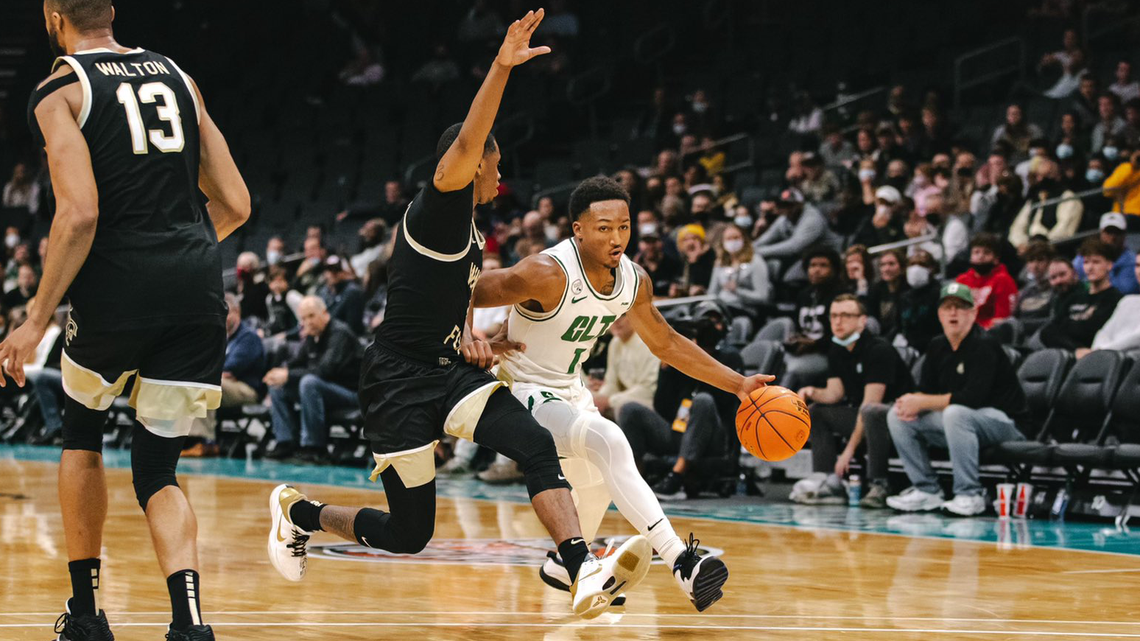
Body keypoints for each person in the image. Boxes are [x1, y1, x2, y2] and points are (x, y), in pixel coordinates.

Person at [265, 14, 652, 621]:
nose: (500, 177)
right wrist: (501, 66)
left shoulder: (467, 230)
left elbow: (447, 297)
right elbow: (470, 141)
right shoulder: (438, 209)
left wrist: (472, 336)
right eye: (494, 166)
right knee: (408, 533)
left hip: (447, 372)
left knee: (533, 443)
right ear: (470, 166)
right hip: (396, 381)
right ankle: (300, 513)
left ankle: (580, 569)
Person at [1, 2, 250, 639]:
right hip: (197, 285)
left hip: (116, 286)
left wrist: (35, 320)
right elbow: (236, 202)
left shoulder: (59, 89)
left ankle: (86, 616)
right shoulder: (179, 76)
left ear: (53, 17)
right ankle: (189, 625)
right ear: (111, 11)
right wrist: (178, 259)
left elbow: (79, 213)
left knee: (82, 434)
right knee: (158, 469)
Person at [473, 176, 773, 611]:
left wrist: (739, 384)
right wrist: (472, 338)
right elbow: (462, 289)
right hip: (523, 390)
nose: (617, 238)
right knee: (609, 439)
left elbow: (667, 343)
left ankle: (564, 567)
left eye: (624, 227)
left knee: (597, 483)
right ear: (578, 230)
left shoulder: (634, 280)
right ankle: (681, 561)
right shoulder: (546, 272)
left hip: (570, 389)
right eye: (604, 228)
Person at [885, 283, 1027, 517]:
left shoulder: (985, 344)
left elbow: (971, 398)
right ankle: (927, 489)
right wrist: (910, 401)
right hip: (962, 423)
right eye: (947, 307)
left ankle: (970, 493)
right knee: (897, 415)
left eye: (960, 307)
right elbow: (926, 390)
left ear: (973, 313)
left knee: (955, 412)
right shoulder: (936, 345)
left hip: (1004, 423)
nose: (953, 313)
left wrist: (922, 402)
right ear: (939, 314)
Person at [794, 295, 913, 508]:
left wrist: (848, 452)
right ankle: (829, 481)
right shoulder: (837, 348)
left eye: (845, 315)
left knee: (871, 412)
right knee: (816, 412)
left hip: (899, 419)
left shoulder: (879, 350)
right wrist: (811, 392)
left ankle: (880, 483)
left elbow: (870, 404)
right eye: (833, 316)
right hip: (865, 414)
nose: (838, 321)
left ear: (862, 321)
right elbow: (835, 394)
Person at [263, 296, 362, 463]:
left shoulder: (340, 333)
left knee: (308, 383)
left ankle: (315, 447)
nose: (308, 322)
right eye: (303, 319)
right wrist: (280, 372)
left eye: (311, 316)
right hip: (325, 390)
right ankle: (285, 442)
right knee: (278, 385)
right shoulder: (312, 335)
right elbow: (297, 363)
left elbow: (325, 371)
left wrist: (288, 375)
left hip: (351, 393)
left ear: (325, 313)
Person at [183, 293, 266, 458]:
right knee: (190, 382)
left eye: (225, 313)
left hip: (247, 390)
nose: (221, 318)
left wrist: (216, 371)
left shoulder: (249, 337)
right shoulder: (221, 337)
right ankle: (183, 438)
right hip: (226, 383)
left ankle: (203, 441)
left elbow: (232, 366)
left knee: (206, 385)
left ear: (237, 312)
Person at [1034, 238, 1122, 352]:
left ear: (1109, 265)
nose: (1090, 267)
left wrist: (1067, 324)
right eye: (1086, 262)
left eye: (1096, 262)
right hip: (1071, 352)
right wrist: (1076, 346)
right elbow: (1050, 329)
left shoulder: (1114, 298)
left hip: (1096, 353)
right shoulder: (1074, 297)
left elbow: (1092, 330)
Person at [753, 188, 839, 283]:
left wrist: (758, 251)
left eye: (790, 205)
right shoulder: (784, 218)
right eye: (783, 205)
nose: (786, 209)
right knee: (771, 266)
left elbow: (793, 247)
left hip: (829, 257)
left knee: (791, 278)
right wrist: (748, 249)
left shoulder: (812, 218)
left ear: (799, 204)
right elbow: (766, 238)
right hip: (807, 256)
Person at [593, 315, 660, 419]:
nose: (616, 321)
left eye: (622, 315)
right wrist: (597, 400)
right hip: (623, 401)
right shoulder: (615, 343)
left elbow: (648, 390)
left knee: (626, 410)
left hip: (650, 405)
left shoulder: (647, 341)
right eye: (613, 315)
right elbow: (611, 383)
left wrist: (609, 401)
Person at [708, 222, 771, 318]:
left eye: (736, 238)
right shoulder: (720, 263)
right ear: (722, 242)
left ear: (744, 239)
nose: (732, 241)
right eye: (729, 239)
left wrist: (737, 291)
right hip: (722, 307)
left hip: (744, 310)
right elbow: (712, 293)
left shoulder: (755, 261)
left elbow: (763, 297)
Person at [955, 234, 1019, 329]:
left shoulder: (1004, 280)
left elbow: (1002, 319)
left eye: (987, 253)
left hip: (991, 332)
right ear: (970, 257)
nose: (981, 256)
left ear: (996, 259)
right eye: (976, 252)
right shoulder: (962, 280)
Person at [1073, 213, 1139, 294]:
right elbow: (1073, 277)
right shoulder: (1085, 255)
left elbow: (1127, 289)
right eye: (1108, 232)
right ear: (1101, 233)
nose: (1113, 237)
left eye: (1117, 232)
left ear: (1124, 235)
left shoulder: (1134, 261)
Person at [1089, 252, 1140, 357]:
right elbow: (1103, 333)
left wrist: (1102, 351)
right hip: (1106, 358)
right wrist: (1098, 352)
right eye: (1138, 265)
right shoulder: (1127, 301)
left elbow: (1137, 338)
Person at [897, 250, 942, 351]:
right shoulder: (904, 296)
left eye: (922, 264)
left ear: (931, 268)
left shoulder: (939, 294)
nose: (916, 269)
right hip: (909, 348)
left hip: (934, 347)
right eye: (912, 264)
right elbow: (899, 326)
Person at [865, 249, 908, 339]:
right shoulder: (875, 289)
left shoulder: (908, 289)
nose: (886, 269)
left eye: (891, 264)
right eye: (882, 265)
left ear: (902, 268)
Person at [318, 255, 365, 335]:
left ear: (345, 272)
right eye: (328, 270)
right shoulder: (325, 291)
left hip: (346, 337)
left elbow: (353, 327)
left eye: (336, 270)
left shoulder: (352, 292)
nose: (331, 274)